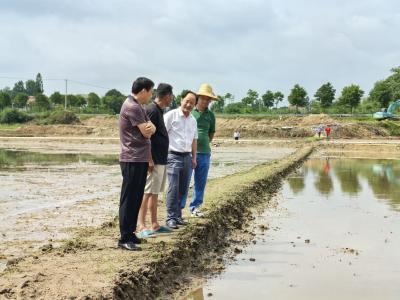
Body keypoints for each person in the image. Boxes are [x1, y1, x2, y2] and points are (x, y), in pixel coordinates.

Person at [118, 77, 155, 251]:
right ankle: (124, 237)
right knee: (129, 198)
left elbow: (151, 127)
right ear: (143, 91)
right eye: (150, 92)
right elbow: (147, 133)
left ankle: (131, 233)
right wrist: (149, 129)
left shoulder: (139, 106)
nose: (151, 96)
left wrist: (150, 128)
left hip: (139, 158)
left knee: (136, 197)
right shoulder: (132, 106)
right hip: (131, 158)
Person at [137, 83, 174, 238]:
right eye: (171, 95)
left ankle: (154, 224)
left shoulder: (159, 110)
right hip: (154, 160)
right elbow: (145, 137)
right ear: (167, 96)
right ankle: (141, 226)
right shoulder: (151, 110)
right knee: (147, 192)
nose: (172, 99)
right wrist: (149, 159)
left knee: (155, 192)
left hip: (161, 159)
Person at [164, 91, 198, 229]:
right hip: (173, 155)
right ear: (181, 100)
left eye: (192, 103)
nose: (189, 105)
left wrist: (194, 157)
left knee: (183, 188)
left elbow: (194, 140)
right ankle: (170, 217)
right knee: (173, 187)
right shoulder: (170, 116)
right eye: (187, 101)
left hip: (187, 157)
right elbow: (161, 134)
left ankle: (178, 215)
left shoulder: (193, 120)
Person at [185, 83, 218, 218]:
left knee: (200, 181)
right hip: (188, 152)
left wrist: (203, 144)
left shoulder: (211, 115)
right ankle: (178, 209)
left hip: (204, 153)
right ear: (198, 98)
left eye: (208, 99)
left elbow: (211, 134)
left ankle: (195, 207)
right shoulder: (189, 112)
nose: (205, 101)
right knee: (185, 181)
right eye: (203, 98)